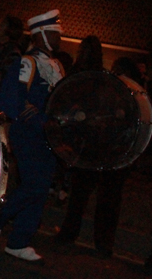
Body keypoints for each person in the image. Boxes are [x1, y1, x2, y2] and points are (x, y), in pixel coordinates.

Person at [0, 9, 65, 262]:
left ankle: (19, 240)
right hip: (29, 134)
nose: (58, 38)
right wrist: (34, 115)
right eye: (54, 33)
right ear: (41, 34)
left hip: (47, 136)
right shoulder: (27, 62)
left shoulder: (56, 64)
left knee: (40, 191)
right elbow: (11, 98)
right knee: (35, 185)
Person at [55, 54, 140, 258]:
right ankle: (100, 242)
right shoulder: (121, 90)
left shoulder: (120, 91)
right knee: (102, 198)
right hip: (112, 150)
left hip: (104, 148)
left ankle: (74, 235)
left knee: (88, 196)